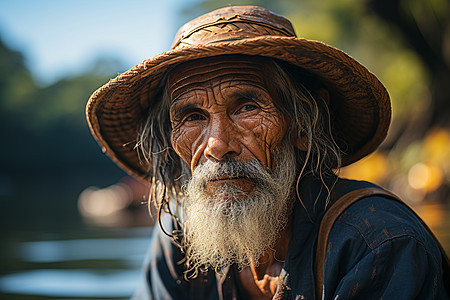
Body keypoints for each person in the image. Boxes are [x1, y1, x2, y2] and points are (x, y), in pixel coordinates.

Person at [86, 6, 449, 299]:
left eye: (246, 107)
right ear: (171, 139)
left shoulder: (380, 243)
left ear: (304, 126)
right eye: (192, 117)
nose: (217, 144)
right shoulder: (180, 235)